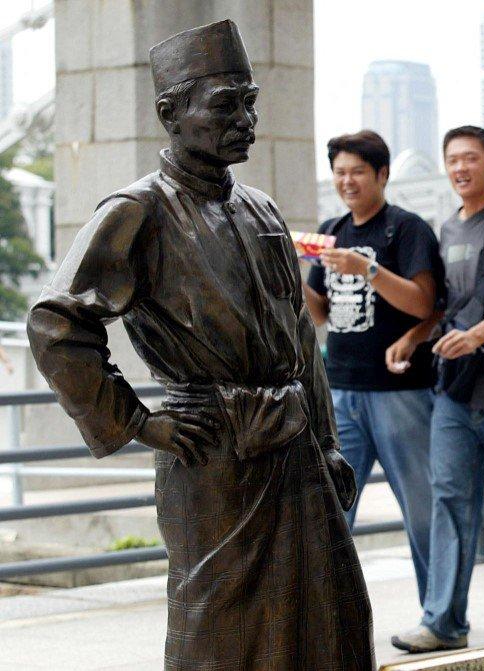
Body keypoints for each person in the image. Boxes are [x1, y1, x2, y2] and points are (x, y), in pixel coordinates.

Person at [27, 20, 374, 669]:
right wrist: (137, 421)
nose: (245, 118)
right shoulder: (137, 210)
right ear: (170, 112)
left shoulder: (262, 210)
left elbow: (299, 337)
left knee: (329, 615)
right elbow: (56, 323)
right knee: (218, 626)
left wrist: (327, 442)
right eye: (225, 104)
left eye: (249, 100)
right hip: (211, 455)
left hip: (295, 449)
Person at [391, 126, 484, 653]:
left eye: (471, 159)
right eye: (452, 159)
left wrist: (475, 336)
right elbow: (443, 309)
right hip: (454, 396)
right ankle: (443, 621)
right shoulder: (446, 229)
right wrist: (413, 338)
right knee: (450, 501)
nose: (460, 168)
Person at [303, 129, 443, 606]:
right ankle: (327, 620)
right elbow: (321, 314)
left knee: (422, 508)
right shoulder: (331, 229)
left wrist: (368, 270)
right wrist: (292, 276)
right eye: (340, 172)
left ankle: (439, 617)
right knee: (333, 509)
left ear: (382, 175)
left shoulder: (405, 229)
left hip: (400, 392)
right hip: (340, 391)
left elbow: (426, 303)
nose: (347, 181)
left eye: (357, 171)